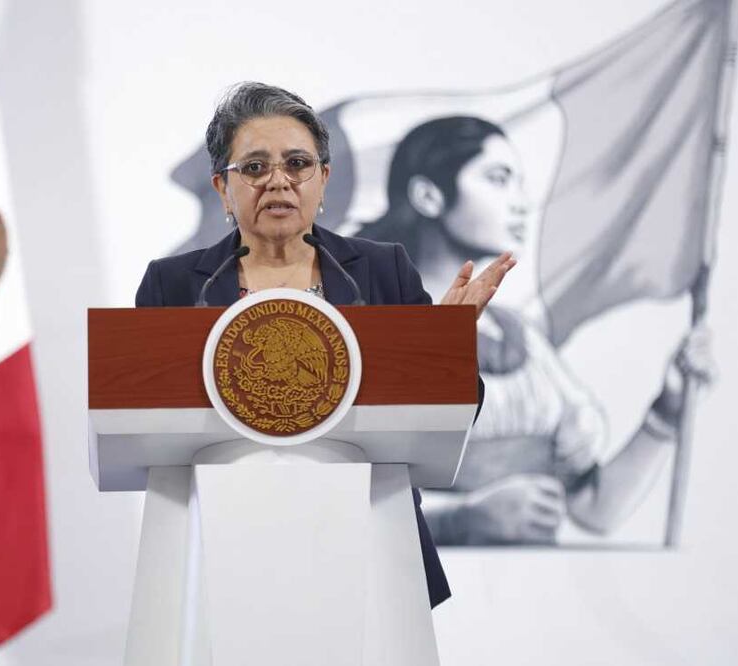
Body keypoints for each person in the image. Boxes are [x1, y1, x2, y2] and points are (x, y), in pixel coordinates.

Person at [136, 83, 516, 608]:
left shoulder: (382, 271)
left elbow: (452, 417)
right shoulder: (175, 286)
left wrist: (443, 350)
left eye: (297, 163)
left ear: (324, 181)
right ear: (223, 188)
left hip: (372, 542)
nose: (278, 181)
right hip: (222, 550)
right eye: (254, 166)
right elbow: (142, 418)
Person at [356, 116, 712, 545]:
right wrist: (461, 520)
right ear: (428, 195)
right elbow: (335, 507)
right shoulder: (364, 327)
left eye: (519, 182)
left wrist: (667, 411)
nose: (521, 202)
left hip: (531, 598)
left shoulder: (521, 340)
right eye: (498, 179)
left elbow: (594, 510)